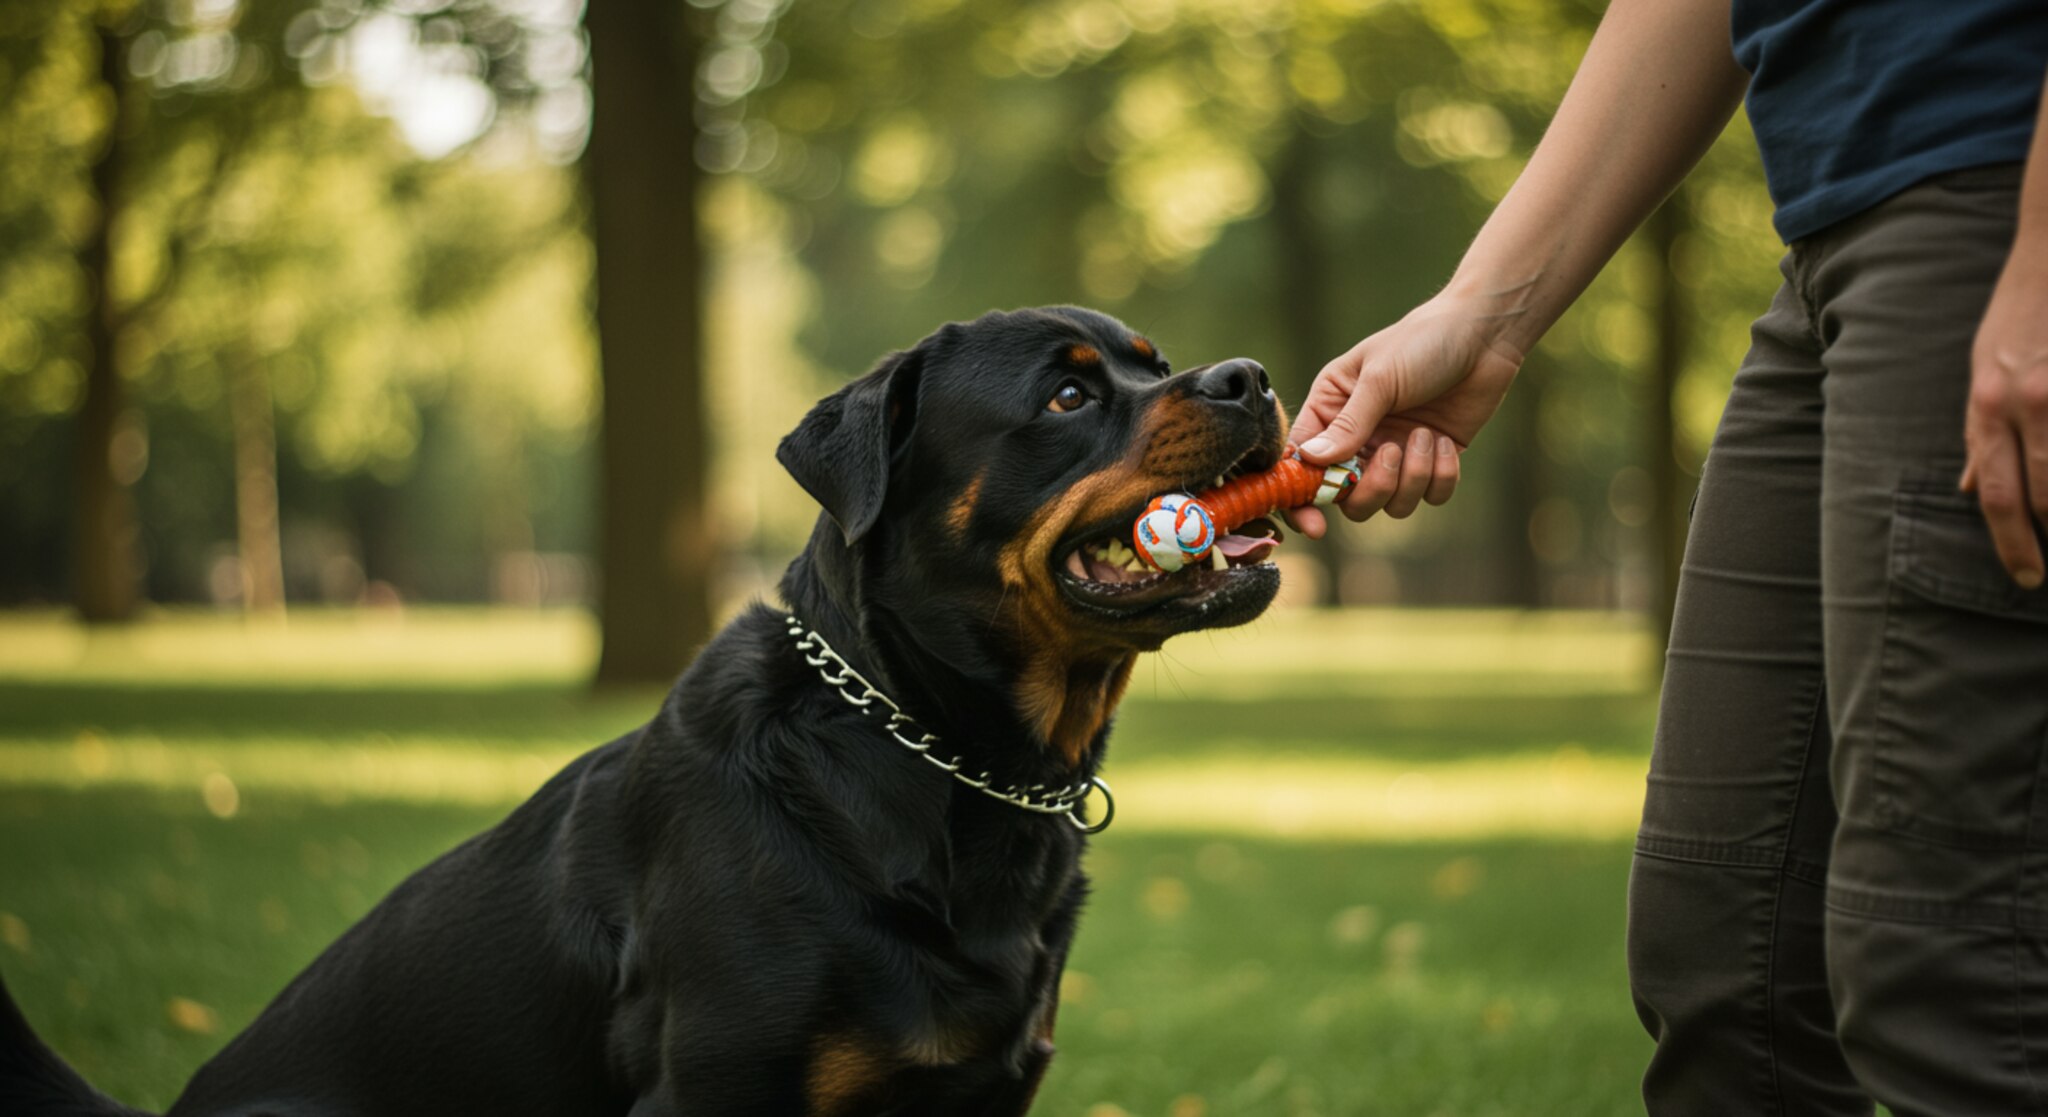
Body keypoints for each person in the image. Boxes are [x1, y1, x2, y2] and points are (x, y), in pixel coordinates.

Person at [1285, 0, 2048, 1112]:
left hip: (1992, 199)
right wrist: (1481, 315)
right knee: (1727, 963)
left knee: (1952, 974)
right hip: (1833, 223)